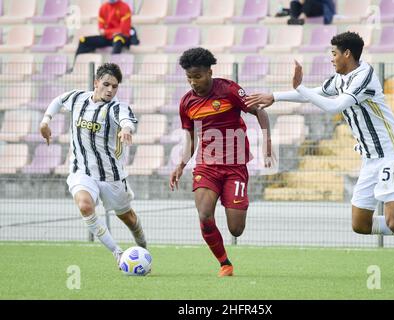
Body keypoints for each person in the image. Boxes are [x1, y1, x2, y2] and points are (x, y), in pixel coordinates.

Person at [245, 32, 394, 281]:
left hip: (392, 155)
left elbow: (333, 106)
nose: (331, 59)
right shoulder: (341, 79)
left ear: (347, 54)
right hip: (371, 159)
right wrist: (275, 96)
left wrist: (298, 87)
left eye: (334, 53)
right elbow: (317, 92)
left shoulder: (364, 76)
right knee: (360, 224)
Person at [169, 47, 274, 277]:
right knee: (205, 215)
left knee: (236, 229)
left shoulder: (229, 90)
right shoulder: (186, 103)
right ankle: (225, 263)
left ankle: (237, 199)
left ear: (209, 72)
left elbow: (260, 112)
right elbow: (190, 136)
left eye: (197, 76)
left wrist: (267, 143)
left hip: (235, 165)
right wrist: (181, 164)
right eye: (189, 78)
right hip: (207, 165)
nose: (193, 82)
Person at [39, 63, 147, 268]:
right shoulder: (77, 98)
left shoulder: (117, 107)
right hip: (82, 171)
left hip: (111, 176)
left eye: (115, 86)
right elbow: (58, 100)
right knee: (85, 205)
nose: (110, 90)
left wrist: (126, 129)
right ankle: (118, 252)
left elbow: (126, 120)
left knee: (129, 218)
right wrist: (45, 121)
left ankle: (143, 249)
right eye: (106, 84)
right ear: (95, 83)